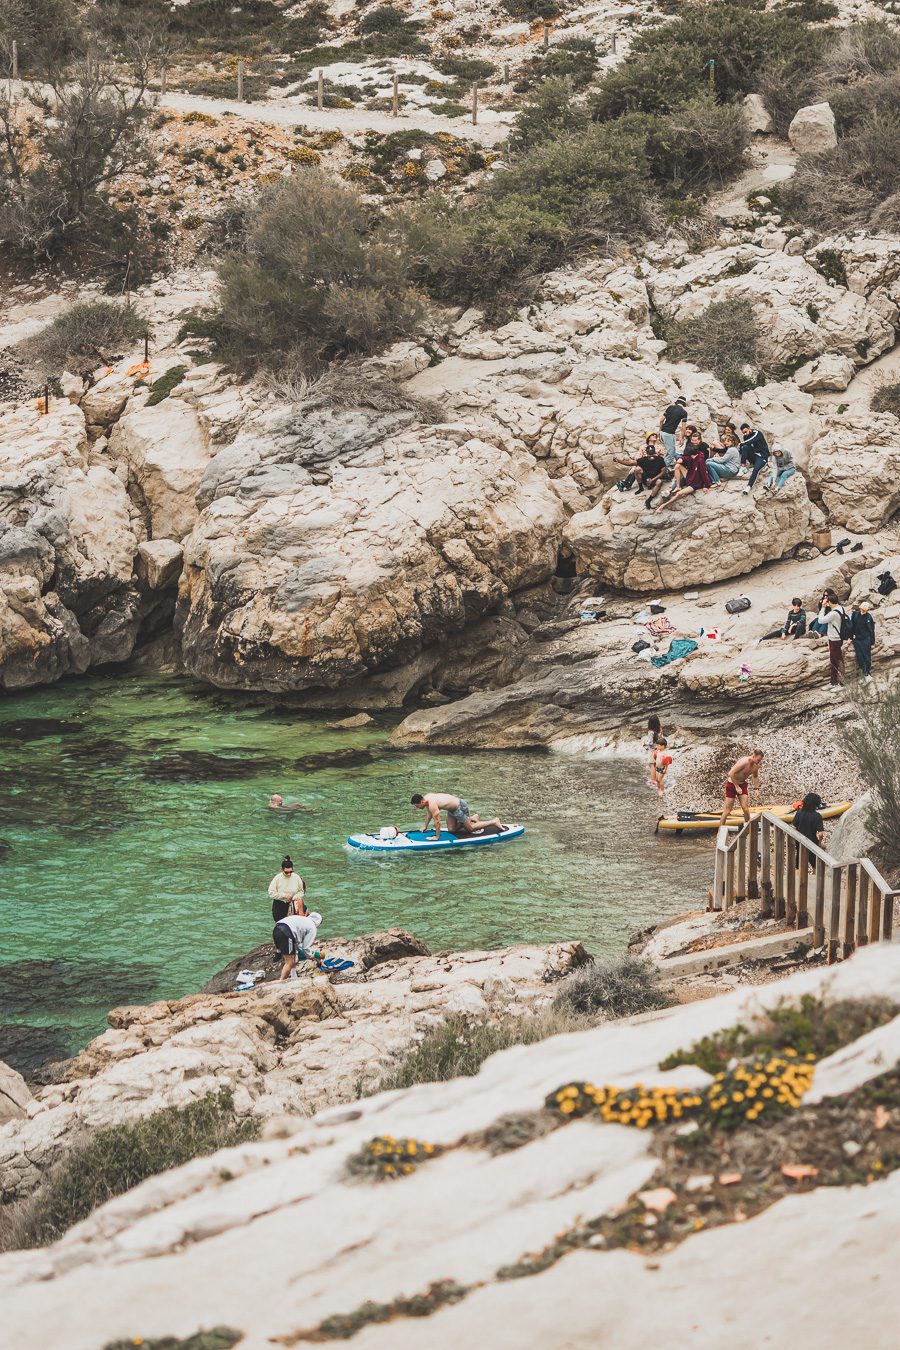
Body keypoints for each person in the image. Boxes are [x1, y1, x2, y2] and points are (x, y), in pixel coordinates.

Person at [410, 792, 502, 839]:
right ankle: (472, 818)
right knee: (452, 830)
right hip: (452, 810)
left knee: (470, 828)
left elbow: (437, 821)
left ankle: (494, 821)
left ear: (422, 801)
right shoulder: (426, 799)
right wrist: (425, 826)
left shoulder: (432, 804)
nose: (417, 807)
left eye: (417, 805)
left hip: (460, 807)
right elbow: (429, 814)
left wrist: (437, 837)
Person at [654, 440, 710, 511]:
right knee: (677, 466)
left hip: (696, 483)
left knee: (679, 494)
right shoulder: (694, 455)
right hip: (690, 475)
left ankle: (663, 506)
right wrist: (680, 459)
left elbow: (704, 473)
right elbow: (685, 458)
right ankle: (678, 486)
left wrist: (706, 486)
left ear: (691, 454)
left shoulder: (700, 460)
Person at [718, 751, 764, 826]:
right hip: (732, 785)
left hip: (742, 785)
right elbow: (730, 773)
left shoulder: (756, 766)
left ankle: (748, 828)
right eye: (758, 760)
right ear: (754, 756)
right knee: (727, 810)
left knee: (745, 808)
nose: (759, 762)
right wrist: (736, 787)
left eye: (760, 760)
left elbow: (755, 777)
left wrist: (756, 789)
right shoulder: (744, 762)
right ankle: (720, 830)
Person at [273, 910, 321, 981]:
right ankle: (281, 981)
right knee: (289, 962)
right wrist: (313, 955)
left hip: (277, 929)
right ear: (318, 923)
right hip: (286, 933)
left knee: (293, 955)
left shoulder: (302, 920)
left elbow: (297, 943)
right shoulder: (312, 927)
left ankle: (293, 976)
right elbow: (305, 948)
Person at [818, 592, 847, 690]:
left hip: (835, 639)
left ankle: (842, 684)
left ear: (830, 602)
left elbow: (820, 620)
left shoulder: (833, 613)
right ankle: (833, 682)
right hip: (837, 638)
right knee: (833, 661)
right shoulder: (840, 608)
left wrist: (822, 607)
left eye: (828, 602)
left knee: (838, 661)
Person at [268, 855, 306, 922]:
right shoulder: (277, 878)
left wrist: (295, 896)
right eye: (286, 872)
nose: (289, 874)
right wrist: (284, 895)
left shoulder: (296, 877)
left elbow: (301, 891)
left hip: (293, 904)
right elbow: (271, 893)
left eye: (291, 872)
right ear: (282, 870)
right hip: (279, 906)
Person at [739, 422, 771, 493]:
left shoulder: (757, 433)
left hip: (762, 456)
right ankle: (743, 467)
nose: (745, 434)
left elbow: (752, 440)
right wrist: (742, 446)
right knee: (745, 447)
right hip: (753, 456)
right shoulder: (745, 437)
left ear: (749, 428)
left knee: (756, 469)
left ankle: (748, 487)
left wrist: (742, 443)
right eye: (743, 433)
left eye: (745, 432)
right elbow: (746, 446)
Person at [659, 396, 688, 465]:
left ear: (677, 402)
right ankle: (661, 470)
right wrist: (682, 438)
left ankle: (666, 465)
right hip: (669, 433)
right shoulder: (684, 412)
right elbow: (683, 427)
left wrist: (660, 431)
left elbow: (661, 420)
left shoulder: (670, 407)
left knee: (672, 451)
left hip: (664, 432)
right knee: (671, 452)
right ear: (684, 404)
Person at [850, 602, 875, 681]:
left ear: (867, 610)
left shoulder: (869, 617)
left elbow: (871, 630)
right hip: (857, 639)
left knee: (867, 657)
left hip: (866, 639)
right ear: (860, 608)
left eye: (865, 610)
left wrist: (872, 642)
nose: (863, 611)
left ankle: (868, 673)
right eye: (862, 609)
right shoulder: (855, 614)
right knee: (860, 657)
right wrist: (850, 637)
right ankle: (864, 673)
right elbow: (851, 626)